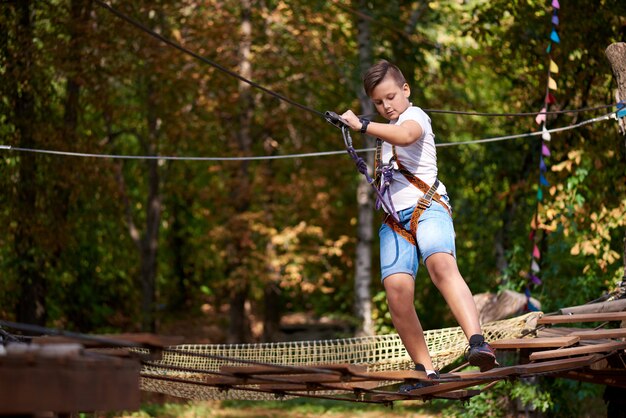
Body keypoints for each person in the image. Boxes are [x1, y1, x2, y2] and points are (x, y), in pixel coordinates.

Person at [340, 60, 497, 392]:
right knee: (396, 293)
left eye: (391, 97)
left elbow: (407, 135)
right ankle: (424, 370)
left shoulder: (415, 117)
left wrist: (363, 125)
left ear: (406, 90)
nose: (386, 106)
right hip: (395, 221)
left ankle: (478, 341)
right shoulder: (384, 136)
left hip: (428, 208)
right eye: (379, 103)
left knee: (441, 266)